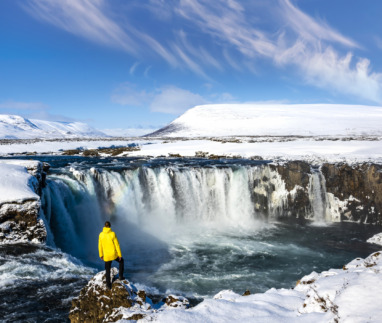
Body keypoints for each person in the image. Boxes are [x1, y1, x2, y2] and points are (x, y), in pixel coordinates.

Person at [98, 221, 125, 289]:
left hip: (106, 255)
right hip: (113, 254)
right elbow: (117, 245)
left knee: (107, 269)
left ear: (104, 226)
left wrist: (101, 255)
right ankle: (121, 276)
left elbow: (100, 246)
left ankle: (108, 285)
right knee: (121, 261)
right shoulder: (113, 234)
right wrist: (119, 255)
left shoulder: (101, 234)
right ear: (110, 226)